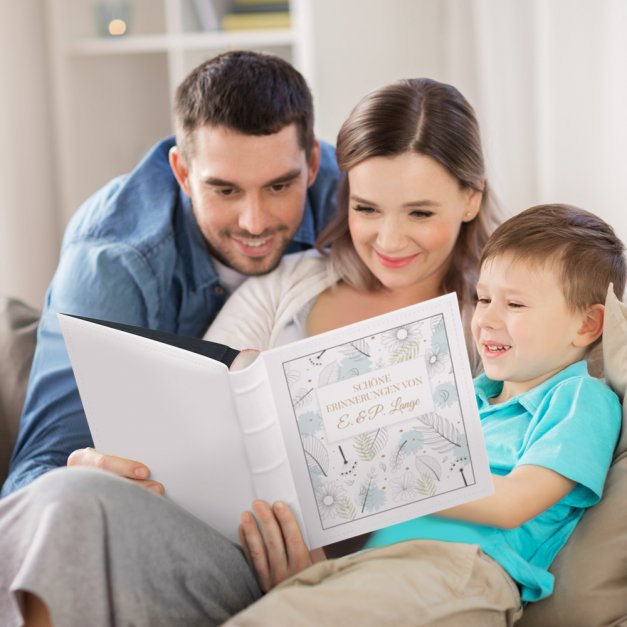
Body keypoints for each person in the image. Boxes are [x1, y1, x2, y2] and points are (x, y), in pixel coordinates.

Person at [0, 76, 505, 627]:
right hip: (215, 546)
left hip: (359, 581)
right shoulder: (291, 281)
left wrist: (322, 580)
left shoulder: (490, 322)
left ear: (470, 198)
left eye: (420, 214)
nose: (387, 239)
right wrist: (113, 464)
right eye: (366, 209)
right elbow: (191, 403)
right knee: (70, 496)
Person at [219, 203, 624, 626]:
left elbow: (513, 504)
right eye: (483, 298)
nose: (486, 319)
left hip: (461, 571)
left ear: (586, 326)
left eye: (515, 305)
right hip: (375, 566)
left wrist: (393, 469)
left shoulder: (581, 398)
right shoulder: (465, 396)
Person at [1, 50, 340, 497]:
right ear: (182, 172)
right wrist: (80, 482)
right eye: (224, 190)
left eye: (279, 186)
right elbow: (31, 478)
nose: (254, 222)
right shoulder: (113, 262)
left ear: (312, 163)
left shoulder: (355, 201)